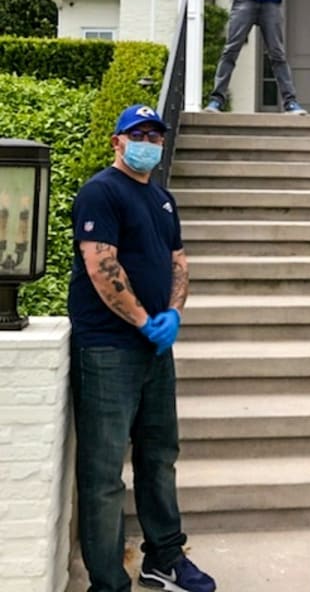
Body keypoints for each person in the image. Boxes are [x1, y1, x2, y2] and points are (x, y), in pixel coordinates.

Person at [68, 103, 216, 592]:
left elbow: (178, 261)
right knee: (104, 472)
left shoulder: (162, 199)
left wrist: (173, 314)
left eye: (155, 137)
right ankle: (108, 582)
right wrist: (142, 321)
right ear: (117, 141)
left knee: (159, 456)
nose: (148, 144)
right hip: (107, 350)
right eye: (138, 135)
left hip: (155, 351)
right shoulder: (101, 192)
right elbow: (100, 265)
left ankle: (164, 558)